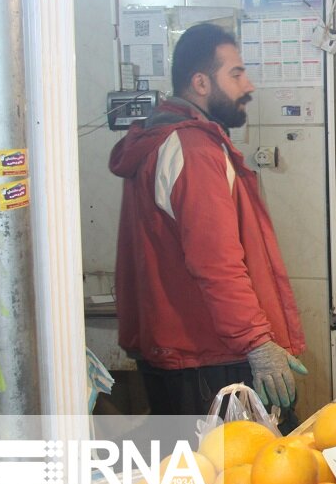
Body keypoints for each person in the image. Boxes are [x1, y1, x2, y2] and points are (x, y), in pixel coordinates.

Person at [110, 23, 307, 417]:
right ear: (200, 82)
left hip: (186, 355)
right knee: (232, 475)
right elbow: (215, 261)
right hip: (207, 358)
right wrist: (257, 343)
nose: (247, 86)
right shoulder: (193, 150)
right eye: (235, 74)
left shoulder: (168, 139)